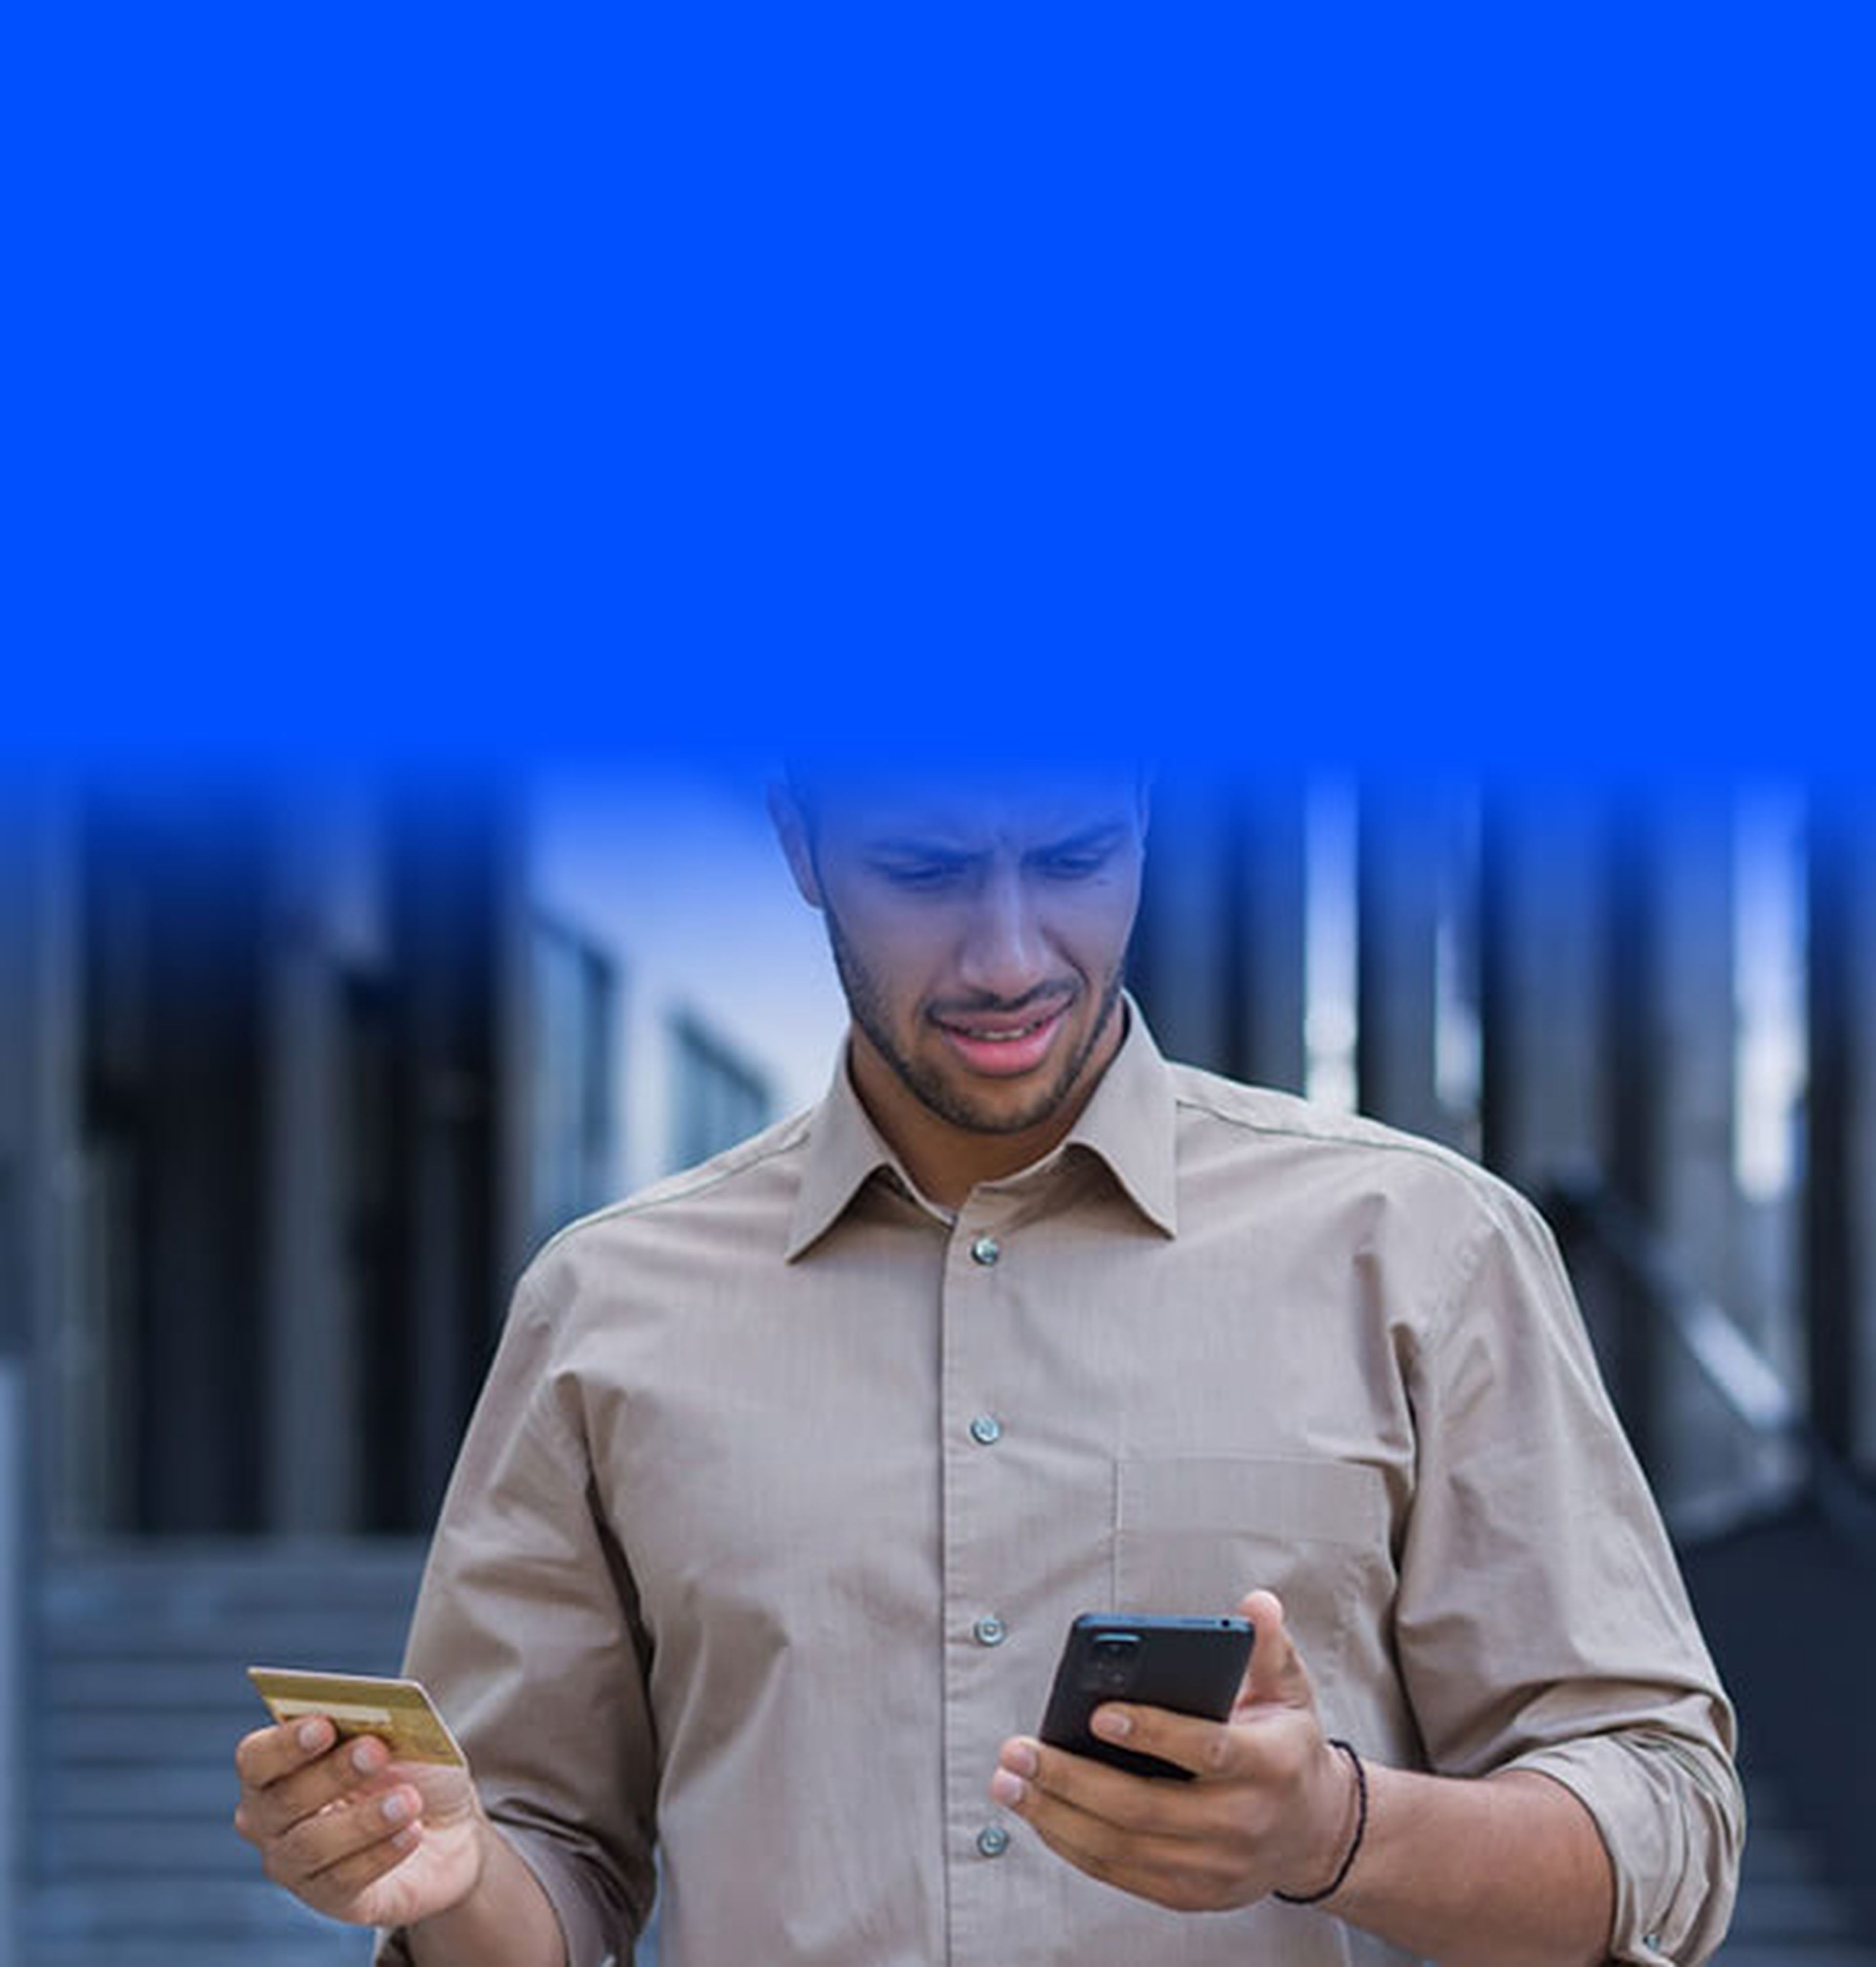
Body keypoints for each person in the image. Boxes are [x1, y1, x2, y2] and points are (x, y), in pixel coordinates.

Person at [234, 761, 1743, 1966]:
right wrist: (443, 1872)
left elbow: (1667, 1819)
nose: (1011, 955)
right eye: (927, 870)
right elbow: (541, 1869)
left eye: (1075, 857)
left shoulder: (1424, 1248)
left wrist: (1332, 1830)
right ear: (801, 838)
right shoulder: (603, 1307)